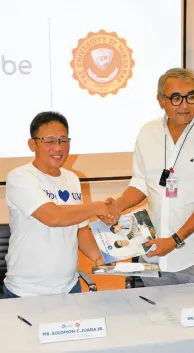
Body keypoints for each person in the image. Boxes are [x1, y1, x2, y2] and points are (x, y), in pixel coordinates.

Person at [103, 68, 194, 286]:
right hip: (154, 253)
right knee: (156, 318)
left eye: (191, 96)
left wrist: (176, 239)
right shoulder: (148, 132)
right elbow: (141, 183)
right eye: (176, 98)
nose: (185, 105)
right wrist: (118, 205)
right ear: (161, 100)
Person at [4, 111, 119, 298]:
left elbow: (80, 230)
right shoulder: (20, 177)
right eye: (49, 141)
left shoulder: (72, 179)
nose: (58, 147)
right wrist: (99, 207)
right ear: (32, 144)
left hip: (69, 287)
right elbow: (53, 216)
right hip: (25, 291)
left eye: (63, 140)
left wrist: (99, 257)